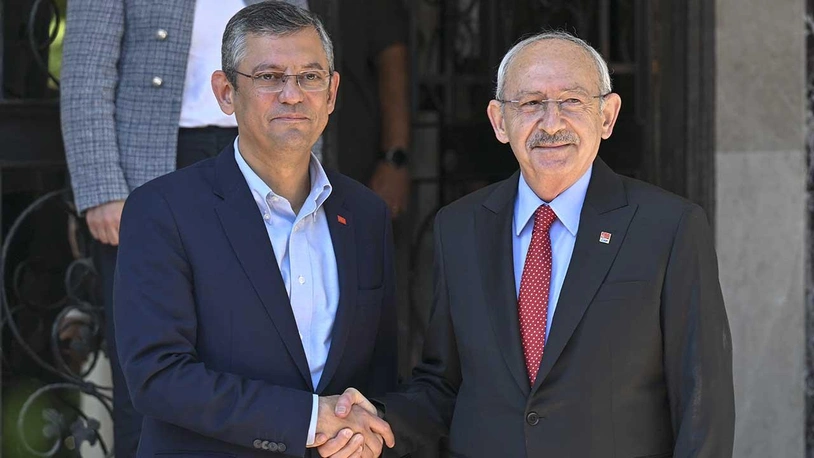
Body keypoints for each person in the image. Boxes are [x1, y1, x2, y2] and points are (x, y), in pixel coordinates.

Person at [321, 31, 735, 458]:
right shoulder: (459, 227)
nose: (551, 124)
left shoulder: (669, 227)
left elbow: (703, 402)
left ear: (607, 116)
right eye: (531, 103)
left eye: (572, 101)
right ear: (500, 121)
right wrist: (376, 424)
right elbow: (444, 385)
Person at [113, 3, 396, 457]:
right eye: (269, 77)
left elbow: (378, 373)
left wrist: (362, 428)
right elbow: (157, 376)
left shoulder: (366, 215)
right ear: (226, 93)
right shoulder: (162, 210)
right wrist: (308, 419)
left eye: (310, 76)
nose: (292, 95)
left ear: (332, 93)